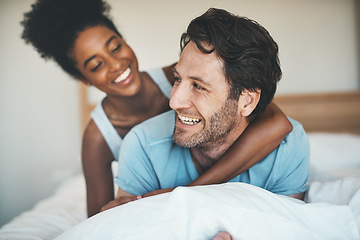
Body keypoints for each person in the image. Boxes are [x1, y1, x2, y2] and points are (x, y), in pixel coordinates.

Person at [21, 0, 293, 217]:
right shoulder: (97, 138)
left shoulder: (179, 79)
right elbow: (101, 220)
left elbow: (278, 123)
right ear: (84, 78)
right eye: (96, 65)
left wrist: (183, 192)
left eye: (115, 47)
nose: (115, 65)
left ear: (125, 40)